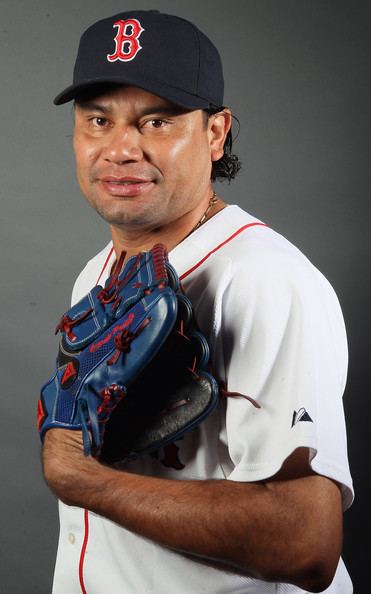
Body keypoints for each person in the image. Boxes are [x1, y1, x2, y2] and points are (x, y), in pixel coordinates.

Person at [42, 10, 354, 593]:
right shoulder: (98, 275)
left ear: (215, 133)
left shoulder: (265, 280)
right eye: (98, 120)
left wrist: (81, 478)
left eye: (156, 121)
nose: (120, 149)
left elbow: (306, 542)